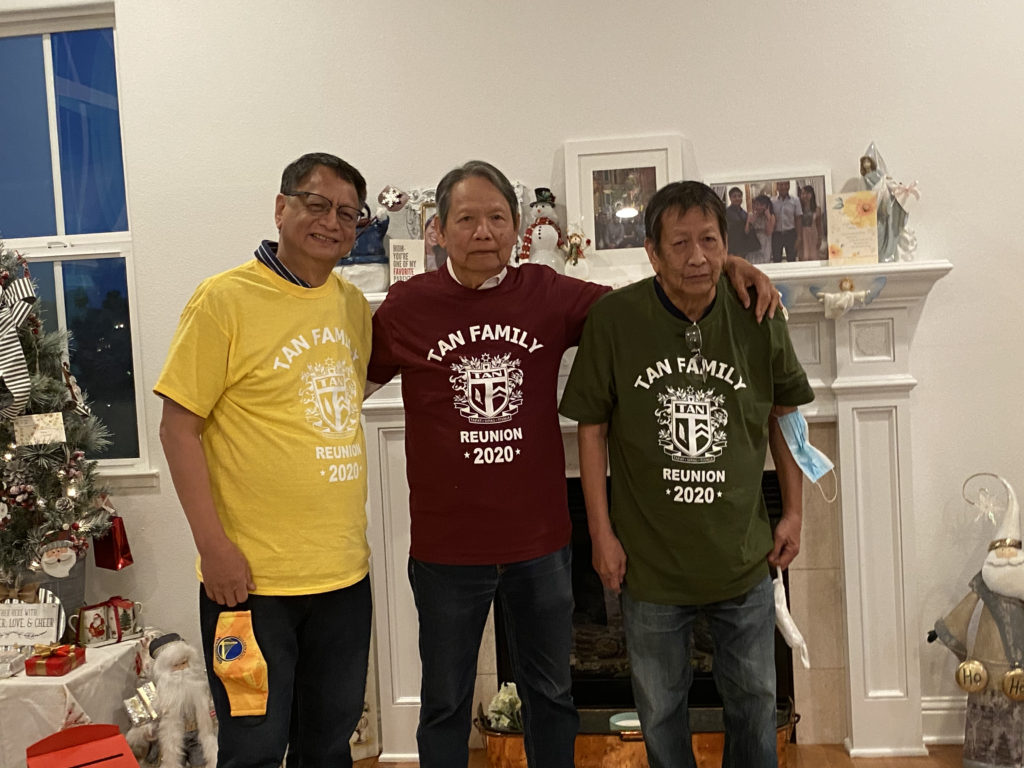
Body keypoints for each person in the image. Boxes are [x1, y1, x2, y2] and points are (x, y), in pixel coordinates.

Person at [365, 161, 781, 768]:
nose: (484, 232)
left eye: (497, 218)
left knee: (551, 695)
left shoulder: (548, 293)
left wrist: (726, 267)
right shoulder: (407, 307)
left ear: (517, 228)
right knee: (445, 702)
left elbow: (646, 304)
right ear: (438, 230)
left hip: (540, 545)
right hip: (445, 550)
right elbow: (349, 382)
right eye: (467, 219)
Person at [559, 180, 814, 768]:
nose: (697, 257)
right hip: (651, 564)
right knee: (659, 707)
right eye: (680, 243)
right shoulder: (616, 320)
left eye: (709, 241)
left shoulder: (759, 312)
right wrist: (600, 534)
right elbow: (590, 429)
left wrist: (794, 511)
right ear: (652, 252)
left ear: (727, 246)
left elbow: (785, 415)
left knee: (754, 700)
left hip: (742, 557)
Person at [155, 152, 373, 767]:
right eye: (317, 204)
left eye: (348, 214)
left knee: (329, 743)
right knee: (252, 746)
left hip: (342, 577)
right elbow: (177, 429)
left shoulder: (352, 306)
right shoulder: (223, 300)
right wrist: (214, 548)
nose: (332, 222)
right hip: (249, 585)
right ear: (281, 208)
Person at [770, 180, 802, 263]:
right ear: (777, 186)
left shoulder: (795, 200)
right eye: (780, 185)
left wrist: (799, 237)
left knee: (792, 259)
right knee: (776, 260)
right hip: (776, 235)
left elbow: (798, 219)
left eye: (785, 184)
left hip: (791, 234)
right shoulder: (772, 201)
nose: (783, 187)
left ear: (788, 185)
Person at [724, 187, 757, 260]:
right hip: (732, 248)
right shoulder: (726, 213)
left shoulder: (744, 213)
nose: (737, 198)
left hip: (744, 248)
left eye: (739, 196)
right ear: (730, 198)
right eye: (734, 196)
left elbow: (747, 230)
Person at [745, 194, 775, 265]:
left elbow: (768, 232)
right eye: (757, 204)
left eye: (762, 205)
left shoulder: (771, 216)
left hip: (765, 243)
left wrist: (768, 218)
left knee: (764, 263)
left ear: (767, 206)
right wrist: (751, 221)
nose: (759, 207)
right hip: (753, 243)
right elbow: (746, 231)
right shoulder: (750, 215)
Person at [797, 185, 822, 261]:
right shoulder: (798, 209)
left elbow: (819, 225)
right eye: (803, 193)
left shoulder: (817, 209)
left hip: (813, 234)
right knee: (804, 257)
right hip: (802, 235)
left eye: (807, 193)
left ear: (811, 194)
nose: (805, 196)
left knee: (814, 257)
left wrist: (820, 238)